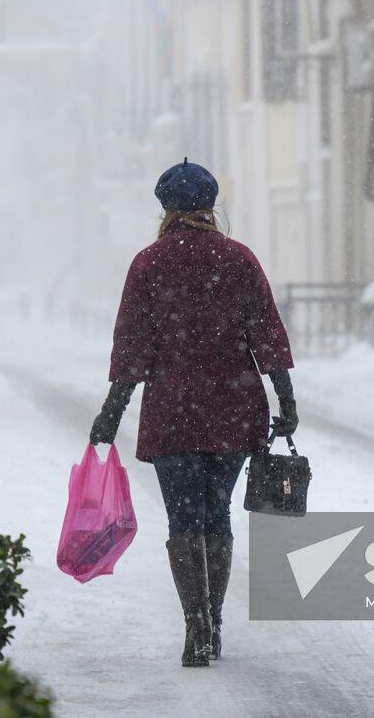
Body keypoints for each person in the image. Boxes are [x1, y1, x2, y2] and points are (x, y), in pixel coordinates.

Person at [89, 159, 299, 668]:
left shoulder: (149, 263)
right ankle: (216, 622)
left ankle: (196, 627)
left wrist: (111, 413)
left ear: (165, 208)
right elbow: (267, 334)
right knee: (217, 513)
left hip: (173, 411)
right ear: (210, 206)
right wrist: (285, 401)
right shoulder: (239, 259)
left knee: (184, 516)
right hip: (234, 406)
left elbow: (132, 348)